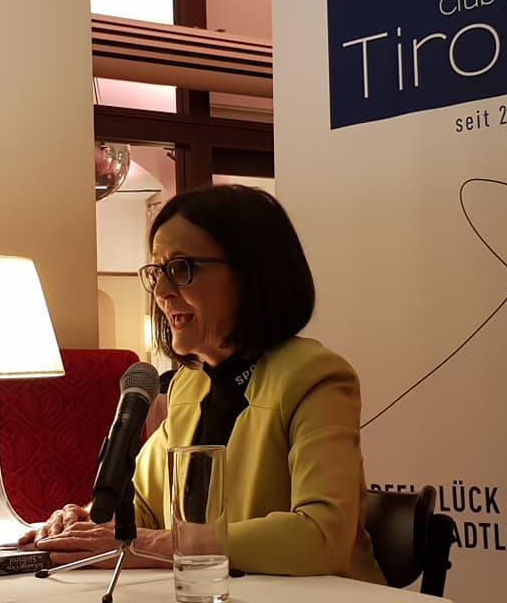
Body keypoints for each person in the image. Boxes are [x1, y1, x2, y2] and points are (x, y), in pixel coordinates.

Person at [19, 184, 384, 584]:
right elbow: (142, 510)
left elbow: (321, 536)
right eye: (157, 273)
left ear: (251, 273)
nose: (161, 292)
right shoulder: (188, 385)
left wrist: (156, 544)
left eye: (181, 269)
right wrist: (84, 522)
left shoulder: (316, 377)